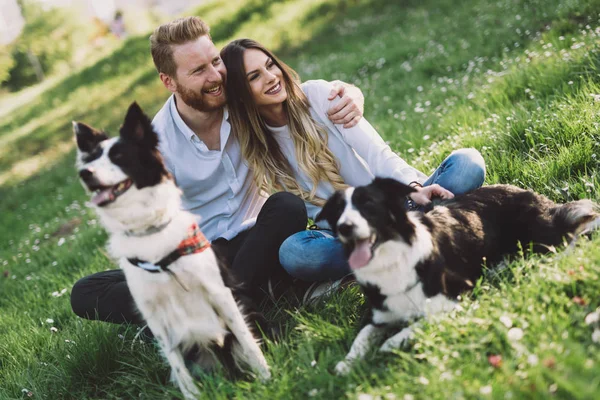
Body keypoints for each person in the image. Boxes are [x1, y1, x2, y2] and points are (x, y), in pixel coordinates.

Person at [70, 17, 366, 324]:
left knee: (287, 206)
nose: (215, 76)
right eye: (199, 70)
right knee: (85, 291)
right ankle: (234, 299)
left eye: (215, 62)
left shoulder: (244, 105)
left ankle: (208, 309)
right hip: (205, 256)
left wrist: (348, 92)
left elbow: (296, 96)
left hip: (265, 236)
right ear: (169, 81)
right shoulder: (155, 145)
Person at [219, 38, 486, 285]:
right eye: (254, 77)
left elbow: (377, 153)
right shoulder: (253, 148)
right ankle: (416, 238)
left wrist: (414, 187)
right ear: (242, 93)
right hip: (347, 235)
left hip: (398, 205)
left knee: (467, 164)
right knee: (295, 253)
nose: (270, 77)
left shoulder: (320, 96)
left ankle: (388, 251)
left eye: (270, 65)